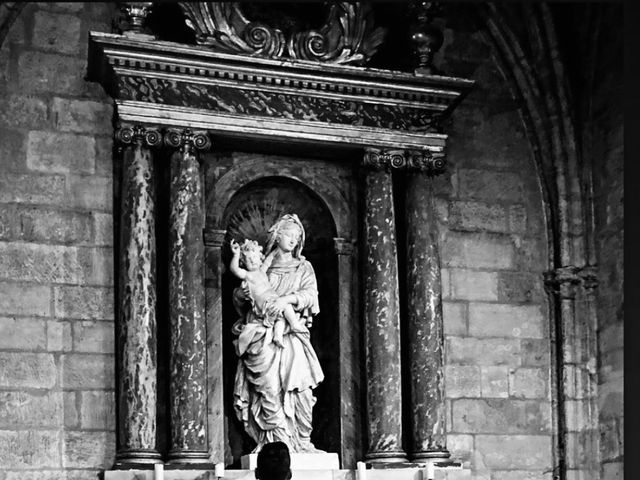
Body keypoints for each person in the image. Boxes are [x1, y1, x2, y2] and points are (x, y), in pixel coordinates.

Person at [232, 213, 324, 453]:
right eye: (289, 235)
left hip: (292, 338)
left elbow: (311, 295)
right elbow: (243, 300)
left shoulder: (304, 267)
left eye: (297, 237)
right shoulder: (262, 266)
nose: (293, 240)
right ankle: (276, 445)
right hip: (263, 336)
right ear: (277, 235)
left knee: (301, 390)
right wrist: (242, 295)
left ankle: (301, 441)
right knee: (269, 389)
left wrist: (287, 299)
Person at [229, 238, 299, 348]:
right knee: (287, 307)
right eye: (249, 259)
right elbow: (234, 269)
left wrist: (278, 249)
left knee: (281, 318)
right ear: (243, 262)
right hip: (264, 305)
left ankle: (277, 335)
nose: (253, 261)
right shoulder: (248, 275)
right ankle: (295, 324)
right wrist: (236, 254)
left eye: (255, 258)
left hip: (273, 301)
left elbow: (269, 259)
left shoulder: (262, 271)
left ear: (260, 258)